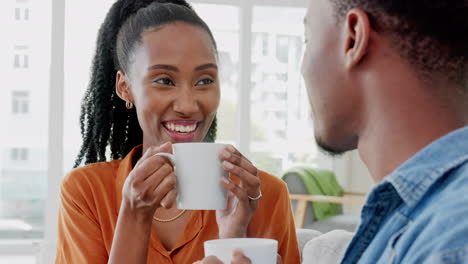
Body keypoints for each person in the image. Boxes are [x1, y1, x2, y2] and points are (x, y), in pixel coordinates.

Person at [199, 0, 468, 263]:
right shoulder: (410, 220)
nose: (302, 68)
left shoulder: (450, 243)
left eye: (307, 39)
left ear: (353, 38)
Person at [55, 1, 300, 263]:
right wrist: (134, 215)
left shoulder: (264, 195)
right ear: (125, 87)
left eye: (204, 81)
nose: (188, 106)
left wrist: (232, 238)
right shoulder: (86, 192)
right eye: (164, 81)